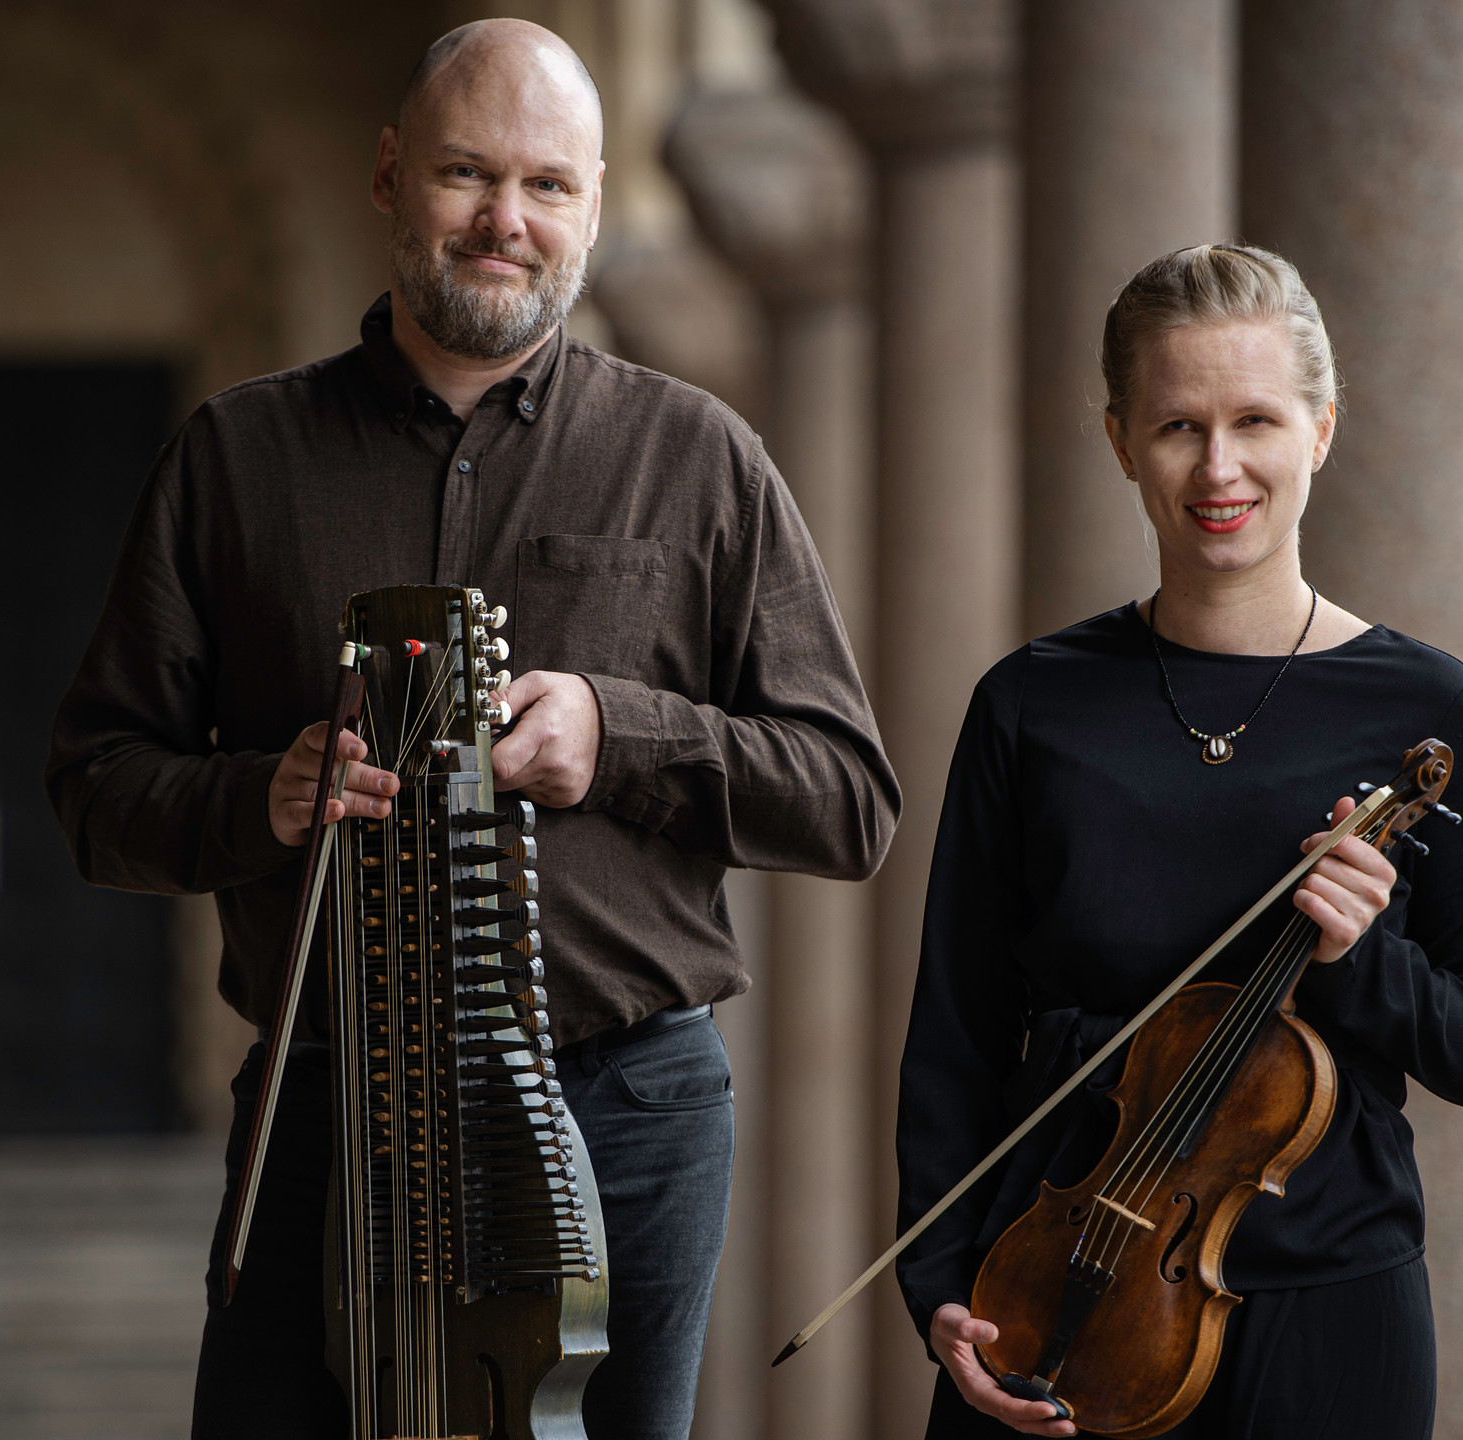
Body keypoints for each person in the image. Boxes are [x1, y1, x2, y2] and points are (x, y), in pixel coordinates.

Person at [44, 20, 896, 1439]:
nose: (508, 219)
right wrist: (264, 796)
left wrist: (618, 737)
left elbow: (849, 797)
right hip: (328, 1106)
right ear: (390, 174)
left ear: (595, 205)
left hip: (622, 1104)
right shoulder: (235, 458)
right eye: (467, 173)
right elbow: (93, 788)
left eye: (548, 185)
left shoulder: (698, 456)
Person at [894, 243, 1463, 1440]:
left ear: (1320, 430)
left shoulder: (1428, 709)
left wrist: (1362, 958)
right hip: (1055, 1291)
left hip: (1331, 1306)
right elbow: (957, 1030)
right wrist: (937, 1282)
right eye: (1176, 427)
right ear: (1119, 441)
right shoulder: (1031, 703)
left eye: (1255, 421)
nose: (1217, 467)